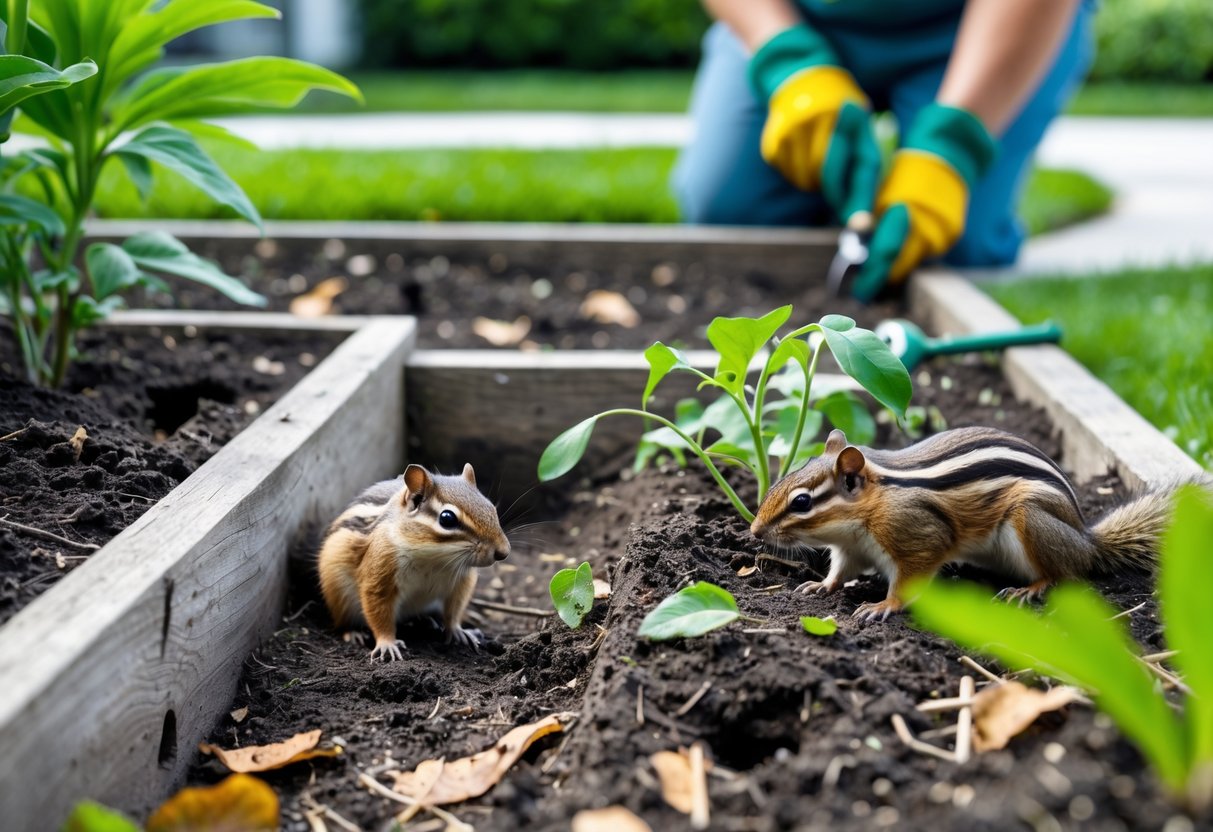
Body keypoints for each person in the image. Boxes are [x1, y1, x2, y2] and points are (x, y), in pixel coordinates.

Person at [673, 0, 1092, 299]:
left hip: (978, 25)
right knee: (731, 212)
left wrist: (950, 147)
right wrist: (789, 61)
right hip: (797, 16)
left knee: (952, 245)